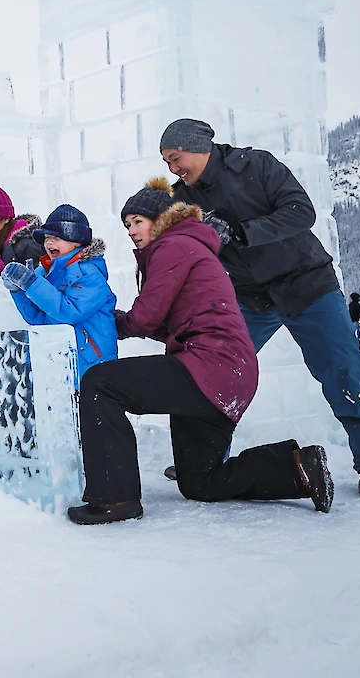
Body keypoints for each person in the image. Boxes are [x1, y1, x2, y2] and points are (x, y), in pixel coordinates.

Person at [68, 178, 334, 525]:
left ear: (160, 218)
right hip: (228, 375)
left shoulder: (173, 245)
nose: (131, 230)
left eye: (137, 221)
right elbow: (164, 324)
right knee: (201, 481)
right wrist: (122, 321)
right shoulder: (189, 246)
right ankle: (298, 468)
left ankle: (114, 498)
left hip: (210, 366)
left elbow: (146, 317)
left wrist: (109, 324)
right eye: (127, 225)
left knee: (100, 383)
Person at [161, 118, 360, 498]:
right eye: (167, 162)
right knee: (207, 369)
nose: (173, 168)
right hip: (248, 297)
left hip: (307, 285)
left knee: (345, 370)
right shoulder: (182, 199)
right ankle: (202, 459)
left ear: (198, 147)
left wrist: (239, 231)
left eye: (176, 158)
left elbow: (301, 211)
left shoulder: (256, 166)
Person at [0, 204, 117, 386]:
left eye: (56, 238)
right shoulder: (46, 272)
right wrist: (18, 290)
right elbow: (38, 319)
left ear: (77, 241)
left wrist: (31, 284)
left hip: (93, 364)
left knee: (95, 413)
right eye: (46, 238)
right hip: (63, 364)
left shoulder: (90, 274)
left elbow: (68, 312)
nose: (48, 243)